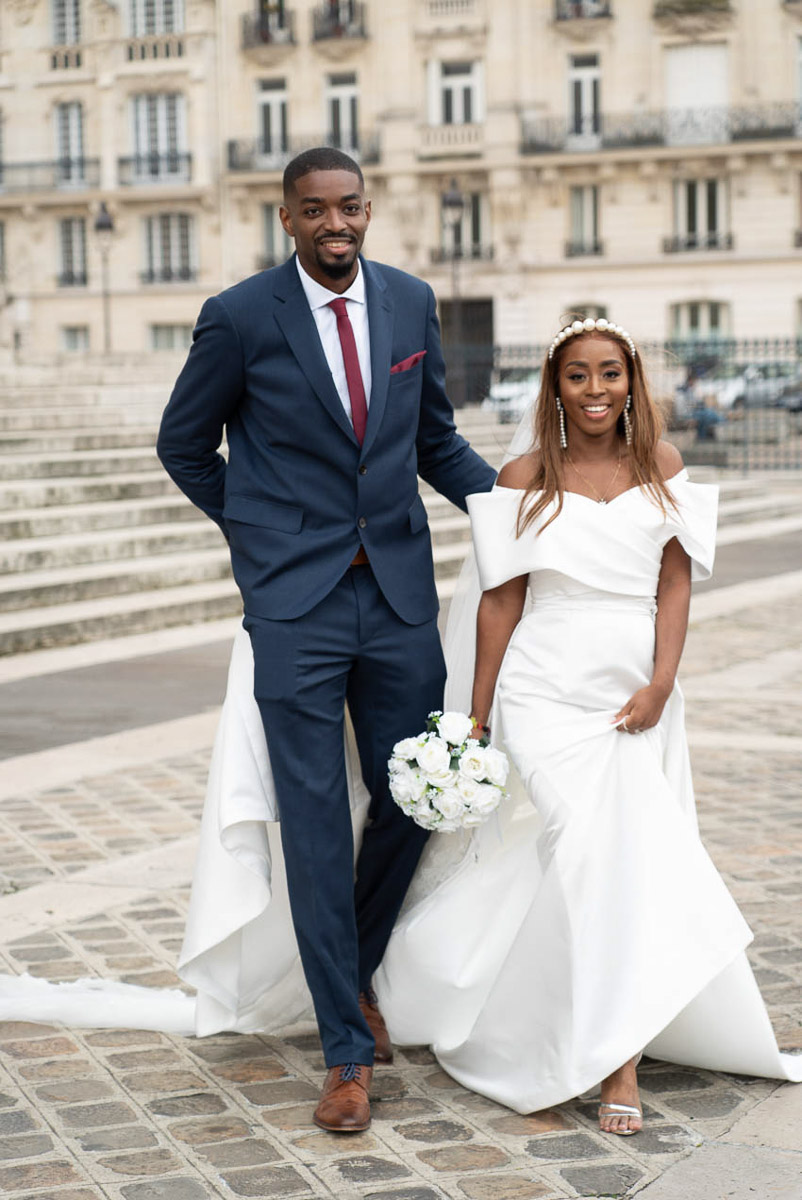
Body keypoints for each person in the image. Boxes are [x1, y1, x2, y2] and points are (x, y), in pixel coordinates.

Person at [375, 316, 801, 1131]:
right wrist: (478, 711)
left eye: (611, 373)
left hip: (631, 691)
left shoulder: (663, 466)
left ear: (632, 381)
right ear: (555, 387)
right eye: (579, 375)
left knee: (624, 860)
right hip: (543, 686)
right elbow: (503, 598)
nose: (596, 388)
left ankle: (612, 1044)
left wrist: (662, 682)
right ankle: (616, 1060)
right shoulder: (523, 474)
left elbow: (674, 586)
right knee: (584, 853)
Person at [156, 147, 495, 1132]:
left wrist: (523, 508)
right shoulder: (240, 316)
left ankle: (345, 972)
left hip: (395, 596)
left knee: (416, 793)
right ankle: (346, 1049)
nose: (334, 222)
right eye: (315, 210)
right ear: (288, 219)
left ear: (368, 208)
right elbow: (185, 443)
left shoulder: (409, 303)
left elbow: (435, 442)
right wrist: (258, 534)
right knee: (309, 820)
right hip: (295, 607)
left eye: (348, 206)